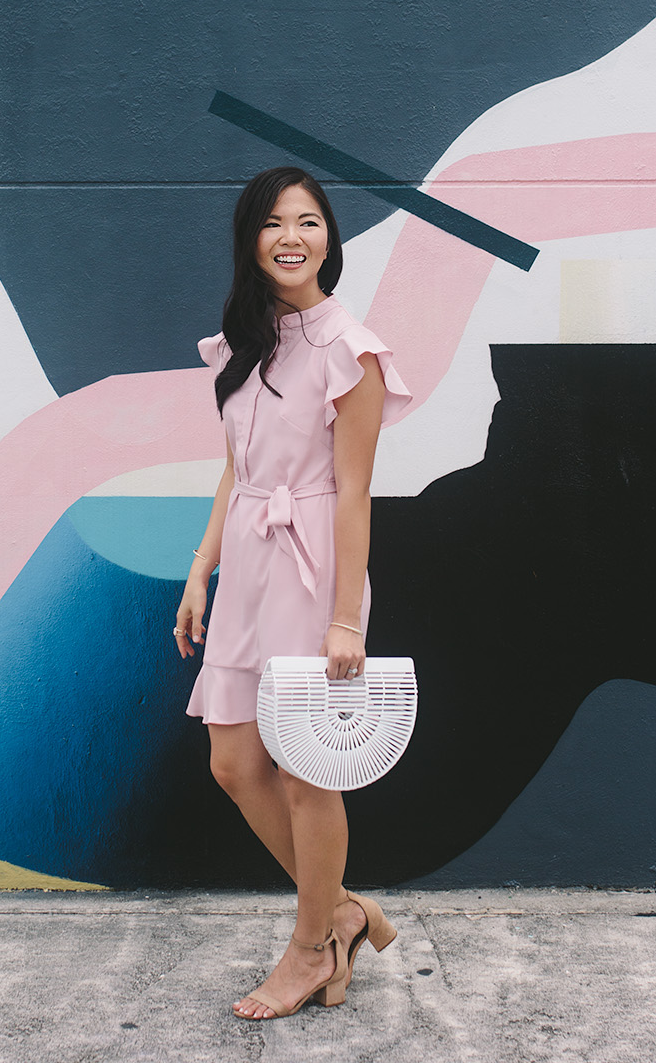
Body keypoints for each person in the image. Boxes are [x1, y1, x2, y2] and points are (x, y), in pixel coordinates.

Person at [174, 164, 412, 1019]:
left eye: (308, 221)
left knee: (309, 773)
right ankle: (341, 915)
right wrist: (201, 567)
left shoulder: (352, 350)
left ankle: (311, 949)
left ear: (329, 239)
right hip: (246, 564)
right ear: (251, 239)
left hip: (313, 572)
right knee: (234, 762)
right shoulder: (243, 343)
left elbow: (354, 494)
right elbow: (237, 470)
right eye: (274, 222)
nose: (291, 237)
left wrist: (347, 619)